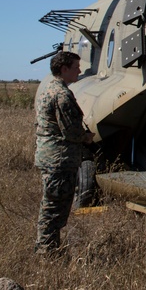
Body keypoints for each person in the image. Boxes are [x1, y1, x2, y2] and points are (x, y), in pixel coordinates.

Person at [34, 51, 93, 254]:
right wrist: (86, 137)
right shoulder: (62, 95)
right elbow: (72, 131)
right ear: (64, 69)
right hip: (59, 159)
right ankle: (47, 251)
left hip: (50, 157)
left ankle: (46, 246)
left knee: (50, 204)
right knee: (55, 207)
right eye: (76, 67)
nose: (80, 70)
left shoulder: (48, 90)